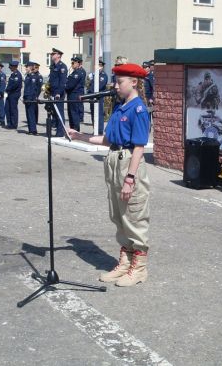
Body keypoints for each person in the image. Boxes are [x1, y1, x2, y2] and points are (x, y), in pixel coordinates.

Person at [68, 63, 150, 287]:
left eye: (119, 81)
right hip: (114, 161)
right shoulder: (120, 108)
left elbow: (139, 147)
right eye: (115, 81)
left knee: (133, 215)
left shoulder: (138, 109)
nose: (115, 85)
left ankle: (139, 268)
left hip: (128, 164)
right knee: (118, 215)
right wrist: (79, 136)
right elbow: (107, 140)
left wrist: (130, 179)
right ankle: (125, 262)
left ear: (134, 83)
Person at [48, 48, 68, 137]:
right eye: (51, 54)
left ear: (59, 55)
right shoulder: (53, 66)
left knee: (59, 112)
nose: (52, 55)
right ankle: (57, 130)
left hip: (58, 93)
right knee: (54, 113)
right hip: (52, 92)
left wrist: (58, 93)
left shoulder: (62, 66)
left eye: (53, 54)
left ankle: (60, 132)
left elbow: (63, 82)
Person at [88, 59, 108, 135]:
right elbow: (89, 85)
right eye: (97, 65)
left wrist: (91, 90)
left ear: (102, 66)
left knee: (99, 114)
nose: (98, 67)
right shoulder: (94, 75)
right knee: (93, 113)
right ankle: (95, 129)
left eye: (99, 65)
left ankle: (99, 130)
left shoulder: (103, 75)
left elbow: (99, 86)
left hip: (99, 97)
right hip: (92, 96)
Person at [65, 57, 83, 132]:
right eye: (71, 63)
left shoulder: (78, 73)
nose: (72, 65)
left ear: (78, 63)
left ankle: (75, 130)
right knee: (71, 113)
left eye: (73, 63)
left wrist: (64, 86)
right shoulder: (74, 72)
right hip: (71, 94)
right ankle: (72, 129)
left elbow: (70, 85)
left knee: (74, 113)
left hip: (74, 94)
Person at [4, 60, 22, 129]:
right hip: (10, 94)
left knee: (13, 109)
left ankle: (14, 124)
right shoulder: (13, 74)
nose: (9, 68)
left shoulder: (17, 75)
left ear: (14, 67)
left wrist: (7, 90)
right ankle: (9, 123)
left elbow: (14, 85)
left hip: (14, 94)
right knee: (7, 108)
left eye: (10, 66)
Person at [23, 61, 38, 135]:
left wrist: (31, 98)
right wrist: (24, 97)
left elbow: (33, 89)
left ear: (31, 67)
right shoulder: (28, 76)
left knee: (31, 114)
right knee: (28, 114)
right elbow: (26, 88)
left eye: (27, 67)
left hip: (30, 98)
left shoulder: (33, 77)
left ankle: (33, 130)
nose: (26, 68)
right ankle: (31, 129)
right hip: (27, 97)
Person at [78, 58, 86, 123]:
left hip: (80, 89)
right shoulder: (77, 70)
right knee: (77, 104)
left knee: (80, 104)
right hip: (77, 90)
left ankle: (81, 117)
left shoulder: (82, 71)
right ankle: (78, 116)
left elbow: (81, 82)